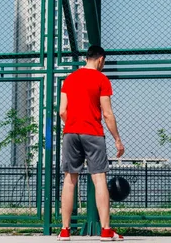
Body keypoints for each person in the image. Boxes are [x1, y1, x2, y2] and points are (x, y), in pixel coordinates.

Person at [58, 45, 125, 242]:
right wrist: (118, 140)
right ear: (101, 59)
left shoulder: (70, 79)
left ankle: (64, 231)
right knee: (99, 179)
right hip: (93, 133)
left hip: (70, 132)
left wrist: (73, 123)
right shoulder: (101, 79)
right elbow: (107, 113)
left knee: (70, 180)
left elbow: (62, 110)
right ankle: (105, 230)